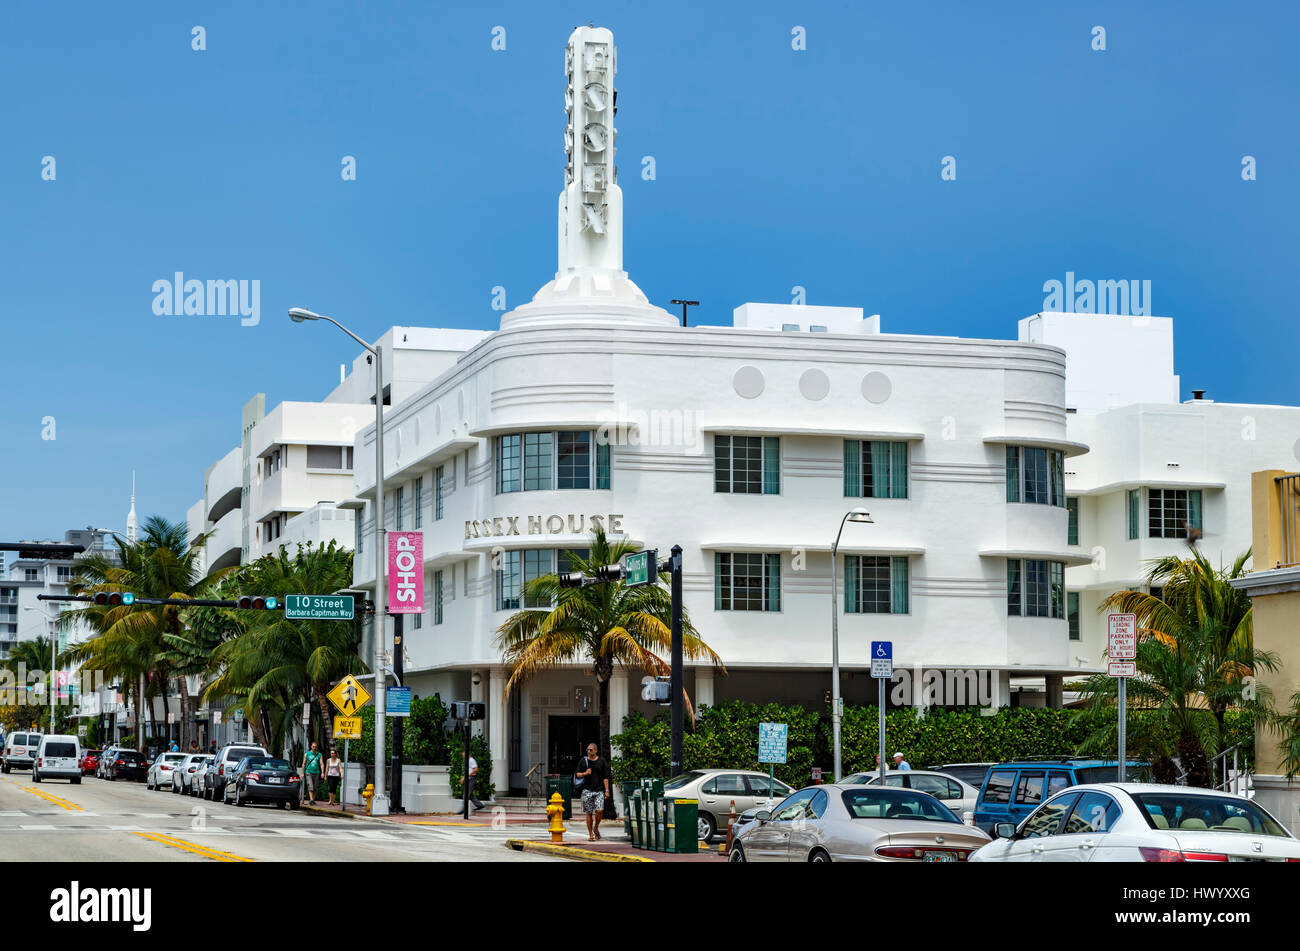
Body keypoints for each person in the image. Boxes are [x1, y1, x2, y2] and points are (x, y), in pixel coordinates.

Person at [576, 742, 612, 842]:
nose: (588, 751)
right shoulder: (583, 761)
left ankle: (596, 827)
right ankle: (591, 833)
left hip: (599, 790)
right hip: (587, 791)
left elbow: (605, 777)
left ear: (596, 750)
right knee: (588, 813)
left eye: (591, 750)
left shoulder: (601, 761)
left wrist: (607, 790)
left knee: (599, 810)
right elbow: (577, 775)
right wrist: (585, 773)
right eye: (587, 750)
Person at [460, 750, 483, 815]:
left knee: (466, 794)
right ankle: (480, 805)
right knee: (470, 795)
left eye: (463, 755)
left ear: (467, 755)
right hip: (469, 779)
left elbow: (476, 769)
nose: (463, 757)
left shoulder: (471, 760)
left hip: (471, 779)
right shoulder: (468, 761)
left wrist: (466, 776)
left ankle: (464, 809)